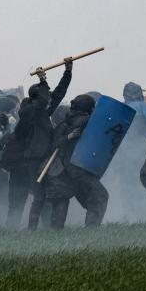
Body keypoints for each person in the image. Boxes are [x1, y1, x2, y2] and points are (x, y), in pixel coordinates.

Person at [1, 59, 73, 229]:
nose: (49, 99)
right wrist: (43, 81)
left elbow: (57, 95)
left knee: (42, 196)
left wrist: (68, 71)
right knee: (22, 201)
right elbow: (44, 100)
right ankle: (15, 231)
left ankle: (44, 229)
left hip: (35, 159)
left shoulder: (41, 110)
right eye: (44, 94)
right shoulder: (29, 111)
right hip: (25, 163)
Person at [44, 94, 109, 228]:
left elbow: (53, 144)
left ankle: (55, 231)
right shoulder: (87, 120)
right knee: (99, 196)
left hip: (66, 167)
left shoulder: (64, 123)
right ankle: (92, 229)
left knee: (74, 198)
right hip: (79, 167)